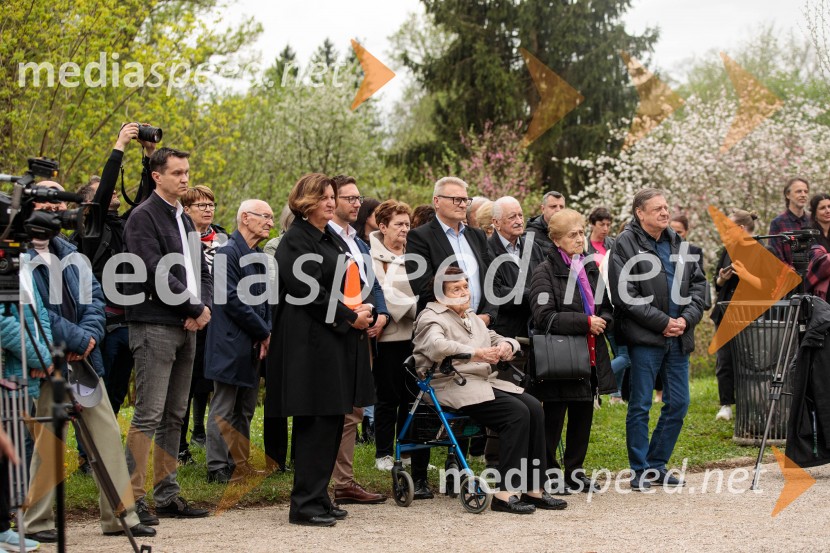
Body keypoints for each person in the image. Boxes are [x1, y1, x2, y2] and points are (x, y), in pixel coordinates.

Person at [24, 183, 156, 542]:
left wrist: (90, 336)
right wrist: (79, 338)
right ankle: (36, 522)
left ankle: (120, 518)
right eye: (44, 198)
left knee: (107, 436)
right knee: (48, 441)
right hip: (44, 360)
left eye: (58, 198)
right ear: (28, 204)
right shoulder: (14, 256)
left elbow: (95, 300)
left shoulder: (70, 253)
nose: (53, 205)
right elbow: (36, 312)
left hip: (84, 361)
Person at [266, 173, 375, 527]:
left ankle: (320, 497)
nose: (331, 202)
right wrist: (350, 317)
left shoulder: (328, 237)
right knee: (314, 421)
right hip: (306, 345)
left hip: (332, 342)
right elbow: (307, 292)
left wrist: (361, 309)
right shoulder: (295, 241)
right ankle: (304, 504)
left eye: (333, 197)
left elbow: (348, 279)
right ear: (305, 201)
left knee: (331, 419)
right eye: (323, 197)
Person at [412, 266, 566, 514]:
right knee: (516, 413)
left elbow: (495, 337)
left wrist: (507, 345)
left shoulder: (469, 316)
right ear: (440, 295)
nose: (464, 293)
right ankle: (504, 494)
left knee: (534, 407)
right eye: (456, 289)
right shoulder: (431, 317)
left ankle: (533, 488)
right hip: (450, 384)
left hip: (479, 383)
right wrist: (477, 353)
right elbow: (437, 346)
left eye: (465, 287)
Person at [123, 147, 212, 524]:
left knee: (175, 414)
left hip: (187, 325)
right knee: (149, 413)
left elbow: (201, 272)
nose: (185, 179)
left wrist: (202, 307)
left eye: (187, 172)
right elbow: (153, 270)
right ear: (157, 176)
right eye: (177, 173)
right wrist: (193, 308)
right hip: (155, 323)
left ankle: (167, 493)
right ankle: (131, 500)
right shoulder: (143, 217)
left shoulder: (182, 218)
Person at [608, 188, 706, 491]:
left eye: (666, 208)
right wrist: (662, 322)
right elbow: (625, 295)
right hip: (645, 339)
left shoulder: (678, 242)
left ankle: (656, 465)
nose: (665, 213)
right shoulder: (625, 243)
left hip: (679, 338)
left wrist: (685, 320)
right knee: (640, 405)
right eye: (658, 209)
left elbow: (700, 286)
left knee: (678, 403)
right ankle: (639, 469)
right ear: (640, 212)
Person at [529, 209, 617, 493]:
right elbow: (544, 316)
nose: (579, 239)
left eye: (581, 233)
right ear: (556, 239)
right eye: (572, 235)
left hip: (590, 354)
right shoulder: (544, 271)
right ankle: (549, 474)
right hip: (562, 357)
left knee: (582, 417)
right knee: (553, 420)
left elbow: (605, 305)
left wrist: (603, 320)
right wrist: (585, 322)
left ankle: (575, 473)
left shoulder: (589, 265)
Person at [328, 175, 389, 505]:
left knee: (354, 410)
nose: (355, 203)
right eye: (348, 198)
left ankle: (345, 481)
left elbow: (374, 284)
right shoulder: (325, 238)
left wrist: (381, 314)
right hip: (336, 333)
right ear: (330, 200)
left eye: (357, 198)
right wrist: (351, 317)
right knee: (332, 408)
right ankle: (328, 479)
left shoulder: (360, 242)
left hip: (363, 335)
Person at [204, 200, 272, 483]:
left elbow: (265, 300)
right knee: (224, 404)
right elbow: (232, 299)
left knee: (245, 406)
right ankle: (217, 467)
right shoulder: (226, 253)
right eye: (264, 216)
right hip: (230, 341)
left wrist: (266, 330)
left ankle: (239, 463)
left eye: (271, 217)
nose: (270, 222)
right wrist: (263, 331)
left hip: (254, 341)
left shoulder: (257, 255)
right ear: (245, 217)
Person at [368, 200, 433, 497]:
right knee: (388, 397)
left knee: (414, 398)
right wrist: (421, 308)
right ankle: (383, 451)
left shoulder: (414, 254)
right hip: (391, 335)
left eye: (408, 224)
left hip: (418, 336)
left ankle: (407, 450)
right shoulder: (374, 257)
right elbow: (385, 293)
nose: (405, 229)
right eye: (398, 224)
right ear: (382, 227)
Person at [178, 185, 229, 465]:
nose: (208, 209)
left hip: (217, 323)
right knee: (184, 387)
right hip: (189, 318)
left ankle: (212, 442)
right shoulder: (179, 240)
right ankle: (179, 447)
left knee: (209, 384)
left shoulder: (223, 239)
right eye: (201, 205)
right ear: (186, 210)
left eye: (211, 204)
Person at [405, 176, 498, 325]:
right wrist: (461, 317)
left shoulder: (477, 236)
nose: (463, 205)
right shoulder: (419, 237)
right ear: (437, 201)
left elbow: (492, 280)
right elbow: (423, 288)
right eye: (456, 199)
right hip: (444, 327)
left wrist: (489, 315)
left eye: (465, 200)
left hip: (482, 325)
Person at [711, 210, 761, 422]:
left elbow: (766, 287)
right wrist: (722, 279)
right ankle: (726, 405)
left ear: (741, 229)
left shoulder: (761, 252)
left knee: (752, 361)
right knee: (725, 360)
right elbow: (717, 282)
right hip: (725, 313)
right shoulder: (727, 250)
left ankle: (753, 402)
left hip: (750, 315)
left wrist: (746, 275)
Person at [262, 204, 295, 472]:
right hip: (278, 323)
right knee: (277, 397)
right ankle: (274, 460)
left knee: (304, 397)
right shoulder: (274, 247)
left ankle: (299, 457)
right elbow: (273, 287)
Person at [487, 196, 544, 342]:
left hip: (535, 330)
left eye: (520, 215)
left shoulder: (533, 247)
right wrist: (532, 295)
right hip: (505, 333)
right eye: (512, 217)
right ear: (496, 223)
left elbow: (543, 279)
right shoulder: (486, 251)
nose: (519, 221)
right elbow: (496, 291)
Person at [769, 177, 811, 266]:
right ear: (788, 195)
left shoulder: (813, 220)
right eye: (798, 191)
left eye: (806, 191)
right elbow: (776, 256)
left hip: (815, 276)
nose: (803, 195)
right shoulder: (778, 223)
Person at [525, 191, 565, 255]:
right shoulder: (530, 235)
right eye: (553, 206)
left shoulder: (570, 232)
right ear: (543, 209)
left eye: (561, 207)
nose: (558, 210)